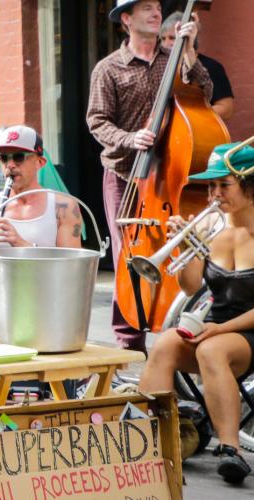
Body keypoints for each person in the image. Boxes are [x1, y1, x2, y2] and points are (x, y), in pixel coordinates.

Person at [87, 0, 211, 352]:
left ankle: (178, 331)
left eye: (157, 7)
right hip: (126, 174)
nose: (156, 13)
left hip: (169, 175)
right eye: (145, 8)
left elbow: (205, 93)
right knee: (129, 255)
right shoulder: (108, 69)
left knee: (180, 253)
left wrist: (188, 51)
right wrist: (130, 138)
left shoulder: (172, 59)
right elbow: (97, 121)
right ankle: (129, 340)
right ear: (126, 20)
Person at [137, 142, 254, 485]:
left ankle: (230, 449)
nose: (214, 194)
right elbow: (191, 288)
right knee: (166, 343)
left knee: (211, 348)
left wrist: (218, 331)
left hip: (245, 332)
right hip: (215, 329)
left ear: (250, 184)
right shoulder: (210, 228)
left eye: (224, 185)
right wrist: (186, 247)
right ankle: (153, 439)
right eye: (211, 186)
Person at [0, 125, 86, 332]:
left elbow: (72, 273)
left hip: (47, 308)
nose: (10, 165)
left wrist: (22, 245)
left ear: (40, 162)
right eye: (3, 158)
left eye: (18, 157)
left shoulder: (63, 206)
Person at [161, 13, 234, 120]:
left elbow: (226, 108)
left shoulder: (212, 66)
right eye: (163, 38)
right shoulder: (160, 65)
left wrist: (186, 118)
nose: (166, 43)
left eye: (172, 38)